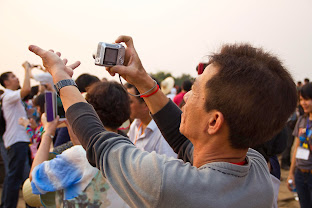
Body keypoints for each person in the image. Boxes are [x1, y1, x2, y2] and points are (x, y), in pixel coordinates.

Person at [28, 35, 297, 208]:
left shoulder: (169, 185)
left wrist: (61, 78)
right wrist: (142, 79)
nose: (185, 98)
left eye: (195, 91)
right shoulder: (257, 169)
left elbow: (98, 142)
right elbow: (184, 143)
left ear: (214, 121)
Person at [29, 81, 130, 207]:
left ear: (89, 110)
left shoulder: (78, 155)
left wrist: (48, 131)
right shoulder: (129, 148)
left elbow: (35, 178)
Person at [0, 61, 32, 207]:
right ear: (6, 82)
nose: (16, 78)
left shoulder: (11, 97)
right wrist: (26, 69)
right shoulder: (9, 96)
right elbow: (26, 89)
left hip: (19, 140)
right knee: (14, 177)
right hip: (16, 141)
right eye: (13, 77)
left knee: (16, 176)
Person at [125, 83, 177, 157]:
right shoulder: (136, 124)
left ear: (146, 103)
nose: (126, 105)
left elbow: (168, 166)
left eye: (130, 102)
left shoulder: (164, 134)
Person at [287, 83, 312, 208]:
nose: (303, 103)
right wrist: (291, 173)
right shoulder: (302, 120)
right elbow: (297, 147)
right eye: (301, 100)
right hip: (300, 175)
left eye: (307, 99)